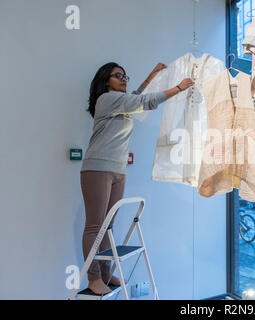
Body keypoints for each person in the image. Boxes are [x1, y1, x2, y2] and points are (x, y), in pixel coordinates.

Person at [80, 62, 193, 295]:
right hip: (98, 168)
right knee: (95, 226)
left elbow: (135, 97)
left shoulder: (120, 102)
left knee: (108, 226)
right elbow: (143, 102)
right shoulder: (107, 99)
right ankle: (93, 278)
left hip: (118, 170)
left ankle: (104, 272)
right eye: (117, 75)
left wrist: (151, 74)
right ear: (105, 80)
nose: (123, 79)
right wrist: (178, 88)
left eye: (125, 75)